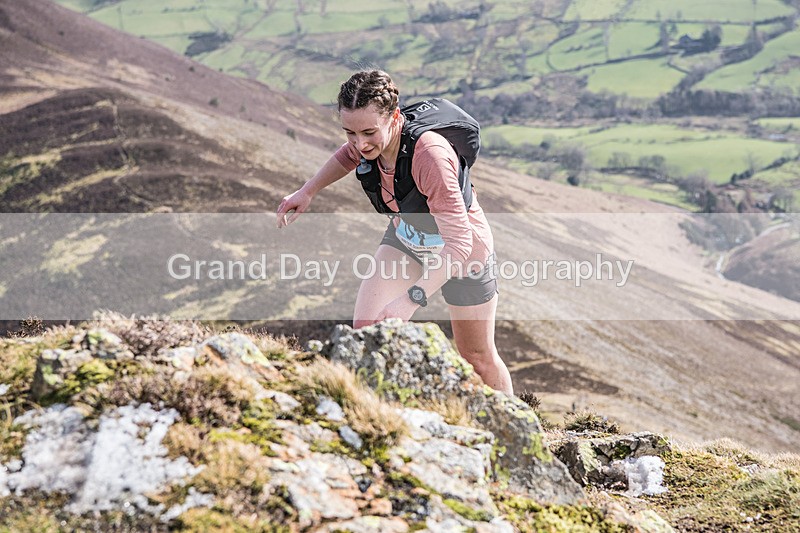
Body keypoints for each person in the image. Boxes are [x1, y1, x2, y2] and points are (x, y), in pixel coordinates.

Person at [276, 70, 513, 395]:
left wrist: (412, 298)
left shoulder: (430, 156)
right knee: (366, 330)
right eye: (350, 132)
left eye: (369, 132)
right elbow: (347, 155)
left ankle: (515, 430)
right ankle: (382, 417)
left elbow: (459, 244)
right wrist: (307, 191)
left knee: (477, 356)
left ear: (395, 117)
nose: (361, 143)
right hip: (408, 239)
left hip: (462, 252)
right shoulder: (365, 142)